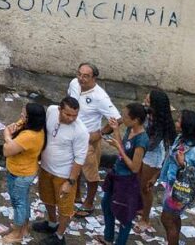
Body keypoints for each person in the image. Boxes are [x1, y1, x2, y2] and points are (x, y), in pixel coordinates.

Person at [68, 62, 121, 218]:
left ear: (94, 78)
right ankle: (75, 195)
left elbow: (117, 119)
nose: (81, 79)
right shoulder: (73, 84)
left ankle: (89, 203)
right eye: (79, 74)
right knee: (73, 167)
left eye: (86, 76)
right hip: (72, 135)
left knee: (90, 173)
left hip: (89, 139)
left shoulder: (100, 97)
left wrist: (101, 133)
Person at [34, 97, 89, 245]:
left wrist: (70, 182)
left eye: (74, 115)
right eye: (68, 114)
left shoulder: (81, 131)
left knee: (65, 208)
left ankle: (59, 236)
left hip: (64, 175)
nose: (71, 118)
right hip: (46, 168)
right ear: (60, 109)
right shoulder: (51, 111)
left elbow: (79, 159)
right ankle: (52, 223)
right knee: (47, 197)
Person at [98, 103, 149, 245]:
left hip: (127, 180)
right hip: (116, 173)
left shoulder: (141, 140)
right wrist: (115, 130)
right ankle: (108, 238)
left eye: (125, 116)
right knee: (106, 204)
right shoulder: (130, 129)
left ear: (136, 119)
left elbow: (134, 167)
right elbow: (123, 147)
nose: (122, 119)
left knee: (125, 215)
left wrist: (119, 148)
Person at [159, 110, 195, 245]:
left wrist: (185, 164)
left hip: (180, 190)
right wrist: (160, 177)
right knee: (173, 218)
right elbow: (169, 158)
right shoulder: (180, 139)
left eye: (178, 121)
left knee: (167, 219)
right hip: (172, 186)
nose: (175, 122)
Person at [1, 103, 47, 243]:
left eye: (23, 115)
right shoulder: (36, 128)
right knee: (24, 200)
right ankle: (24, 227)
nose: (20, 116)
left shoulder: (29, 136)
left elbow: (6, 150)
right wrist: (17, 124)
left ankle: (17, 233)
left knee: (18, 203)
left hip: (20, 174)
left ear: (30, 118)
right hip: (26, 171)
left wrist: (7, 136)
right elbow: (17, 124)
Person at [135, 90, 176, 233]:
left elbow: (154, 144)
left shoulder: (160, 121)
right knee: (139, 181)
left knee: (145, 187)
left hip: (153, 155)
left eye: (148, 101)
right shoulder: (148, 112)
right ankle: (140, 207)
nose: (144, 102)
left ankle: (145, 218)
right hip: (144, 151)